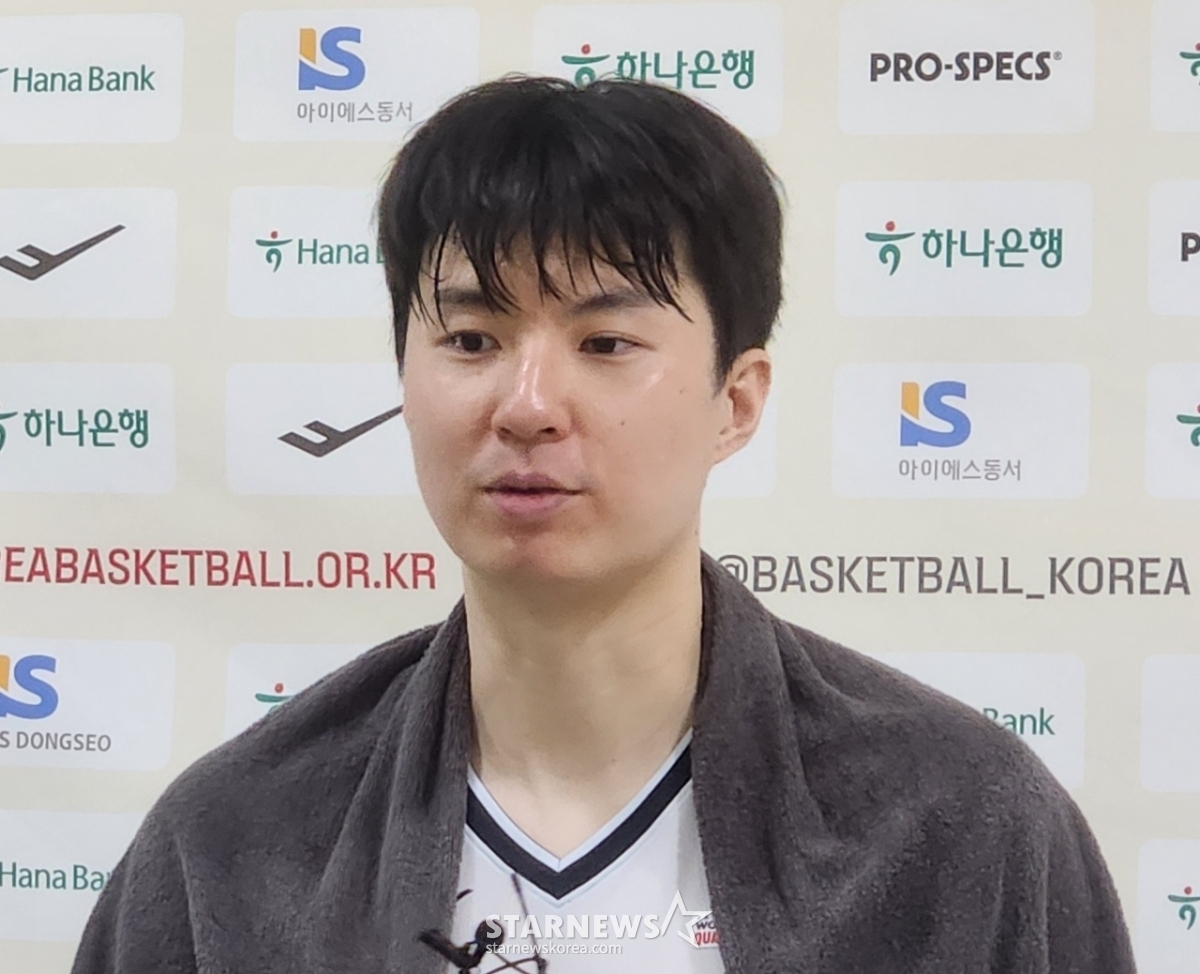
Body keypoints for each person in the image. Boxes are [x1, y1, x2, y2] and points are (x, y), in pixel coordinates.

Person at [71, 76, 1134, 974]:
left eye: (606, 342)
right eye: (473, 338)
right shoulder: (237, 839)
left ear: (737, 401)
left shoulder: (960, 822)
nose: (528, 404)